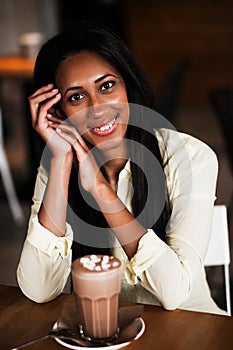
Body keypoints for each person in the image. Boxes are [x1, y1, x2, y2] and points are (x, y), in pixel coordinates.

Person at [17, 22, 226, 315]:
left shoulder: (190, 158)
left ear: (127, 85)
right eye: (76, 97)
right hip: (105, 333)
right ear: (57, 111)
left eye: (106, 86)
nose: (98, 107)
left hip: (188, 330)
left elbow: (175, 293)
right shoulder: (57, 167)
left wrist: (102, 191)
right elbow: (39, 290)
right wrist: (61, 165)